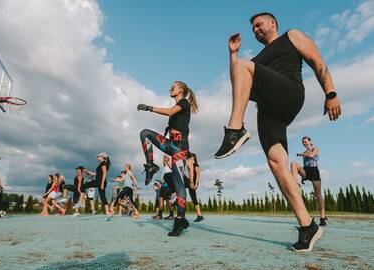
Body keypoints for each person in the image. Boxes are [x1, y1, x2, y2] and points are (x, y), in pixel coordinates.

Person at [214, 12, 341, 251]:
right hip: (268, 110)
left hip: (289, 93)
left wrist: (330, 93)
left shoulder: (291, 36)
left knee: (244, 67)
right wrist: (233, 53)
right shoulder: (256, 59)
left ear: (273, 23)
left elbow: (318, 62)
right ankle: (307, 227)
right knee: (276, 162)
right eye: (253, 28)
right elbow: (237, 80)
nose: (255, 30)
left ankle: (235, 131)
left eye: (259, 25)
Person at [138, 81, 199, 236]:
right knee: (145, 133)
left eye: (173, 87)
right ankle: (151, 165)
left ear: (181, 90)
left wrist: (149, 108)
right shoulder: (179, 107)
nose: (170, 89)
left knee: (179, 185)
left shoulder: (184, 102)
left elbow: (170, 112)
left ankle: (180, 219)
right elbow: (174, 117)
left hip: (180, 148)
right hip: (172, 143)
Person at [291, 136, 326, 226]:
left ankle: (322, 217)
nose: (304, 143)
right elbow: (304, 164)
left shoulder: (315, 149)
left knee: (318, 194)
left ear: (310, 141)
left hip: (314, 171)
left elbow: (311, 156)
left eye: (305, 141)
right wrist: (302, 177)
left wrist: (302, 154)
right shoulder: (304, 152)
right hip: (306, 171)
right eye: (303, 142)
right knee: (293, 163)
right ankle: (295, 183)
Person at [74, 152, 111, 219]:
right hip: (99, 182)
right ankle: (108, 213)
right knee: (103, 197)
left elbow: (105, 173)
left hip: (100, 182)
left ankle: (81, 202)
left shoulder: (103, 164)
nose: (97, 157)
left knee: (84, 186)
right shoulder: (100, 164)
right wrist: (88, 171)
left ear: (102, 157)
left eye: (99, 156)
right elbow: (96, 174)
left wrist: (102, 183)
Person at [184, 152, 204, 222]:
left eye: (190, 157)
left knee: (194, 198)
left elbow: (198, 175)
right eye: (189, 157)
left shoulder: (195, 165)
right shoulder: (190, 165)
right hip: (190, 182)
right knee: (194, 198)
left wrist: (196, 184)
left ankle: (199, 215)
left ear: (194, 158)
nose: (189, 158)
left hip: (193, 183)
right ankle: (199, 215)